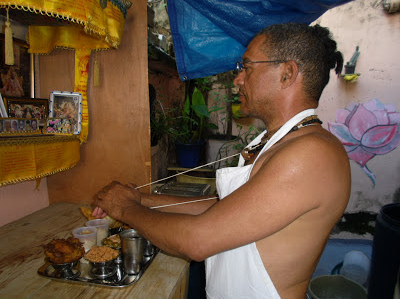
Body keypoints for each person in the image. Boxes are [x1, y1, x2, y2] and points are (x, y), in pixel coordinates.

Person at [93, 23, 351, 298]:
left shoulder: (311, 154)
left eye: (247, 67)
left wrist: (125, 209)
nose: (237, 79)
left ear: (287, 74)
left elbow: (197, 240)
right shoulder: (281, 142)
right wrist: (141, 199)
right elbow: (226, 209)